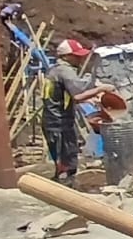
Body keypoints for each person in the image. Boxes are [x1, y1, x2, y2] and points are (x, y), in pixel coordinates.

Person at [43, 39, 114, 186]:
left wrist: (89, 100)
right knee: (66, 162)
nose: (81, 59)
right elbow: (77, 94)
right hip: (59, 123)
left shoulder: (53, 69)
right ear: (67, 56)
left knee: (61, 160)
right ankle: (64, 192)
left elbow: (66, 96)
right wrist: (100, 89)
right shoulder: (65, 71)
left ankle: (61, 185)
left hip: (52, 121)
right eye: (77, 56)